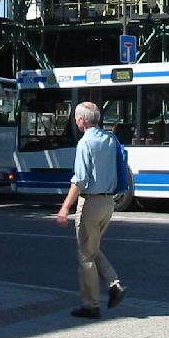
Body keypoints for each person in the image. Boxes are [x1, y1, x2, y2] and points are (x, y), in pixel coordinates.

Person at [55, 101, 127, 319]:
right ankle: (114, 285)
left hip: (91, 203)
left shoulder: (85, 143)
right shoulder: (111, 139)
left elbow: (80, 180)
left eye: (76, 118)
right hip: (109, 203)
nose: (76, 121)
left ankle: (91, 305)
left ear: (82, 120)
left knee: (85, 255)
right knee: (92, 247)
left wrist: (65, 207)